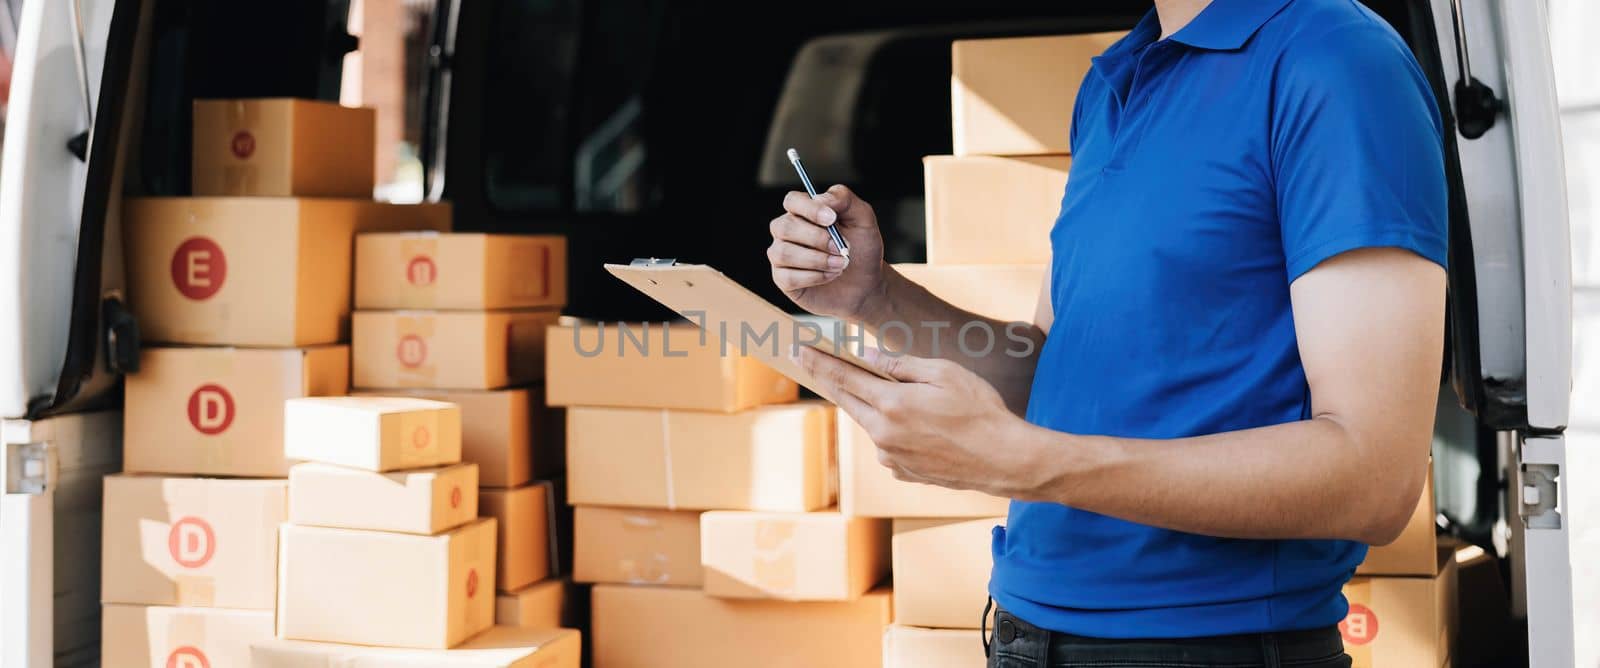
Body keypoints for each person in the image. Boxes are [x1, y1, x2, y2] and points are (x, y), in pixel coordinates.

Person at [766, 0, 1447, 666]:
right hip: (1026, 630)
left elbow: (1375, 479)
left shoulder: (1336, 60)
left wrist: (1026, 460)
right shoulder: (1113, 82)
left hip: (1211, 646)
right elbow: (1053, 380)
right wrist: (878, 297)